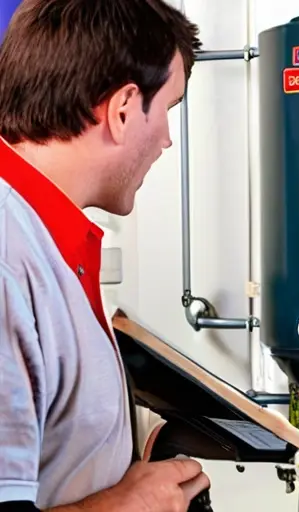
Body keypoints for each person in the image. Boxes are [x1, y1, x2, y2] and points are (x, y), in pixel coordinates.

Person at [0, 0, 210, 510]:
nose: (166, 140)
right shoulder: (9, 258)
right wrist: (129, 504)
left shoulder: (43, 237)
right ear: (122, 110)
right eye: (167, 110)